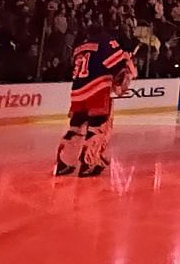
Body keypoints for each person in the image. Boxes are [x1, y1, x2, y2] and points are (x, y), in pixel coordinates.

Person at [56, 29, 136, 179]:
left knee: (76, 127)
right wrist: (127, 63)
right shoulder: (107, 41)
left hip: (78, 90)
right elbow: (116, 66)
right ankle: (89, 162)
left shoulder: (81, 46)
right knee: (96, 127)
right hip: (97, 89)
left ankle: (64, 162)